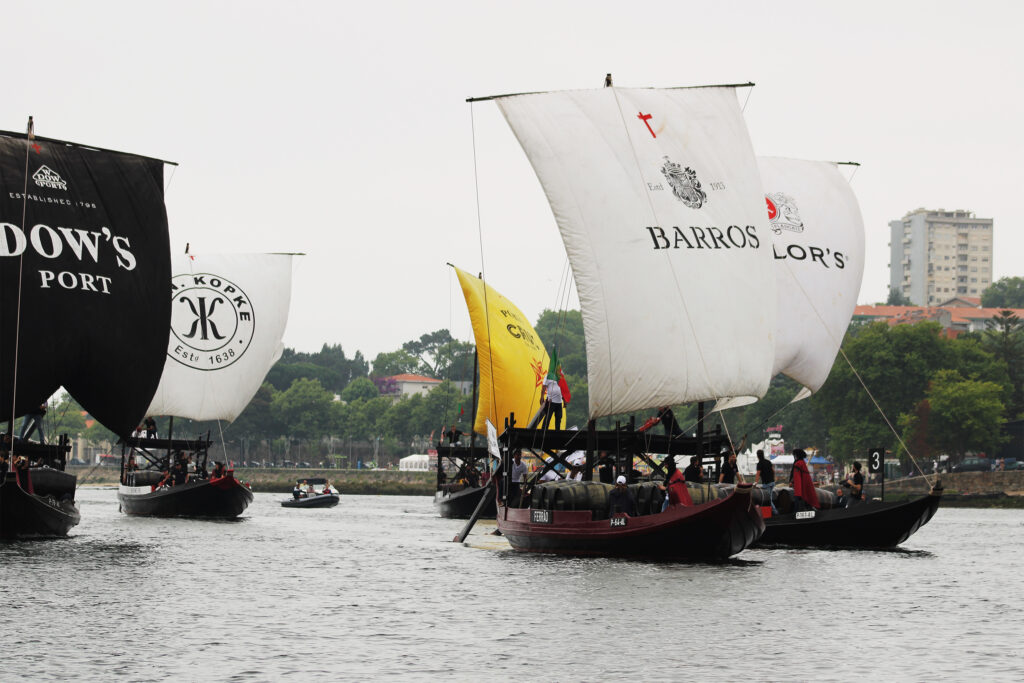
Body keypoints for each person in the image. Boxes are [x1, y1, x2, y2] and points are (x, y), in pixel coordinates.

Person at [755, 449, 777, 515]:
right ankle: (772, 512)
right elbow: (773, 471)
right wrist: (773, 478)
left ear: (757, 456)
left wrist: (755, 483)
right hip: (772, 482)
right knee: (769, 498)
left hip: (766, 483)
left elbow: (758, 474)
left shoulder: (759, 464)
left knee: (768, 499)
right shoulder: (768, 462)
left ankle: (775, 512)